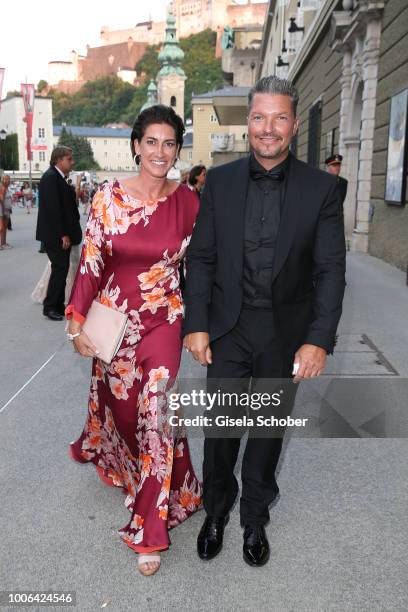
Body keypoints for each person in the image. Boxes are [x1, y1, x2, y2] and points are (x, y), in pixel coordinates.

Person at [183, 76, 346, 567]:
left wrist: (318, 339)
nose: (268, 128)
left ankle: (254, 517)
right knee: (222, 429)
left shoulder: (324, 190)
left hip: (285, 332)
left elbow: (330, 271)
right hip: (228, 329)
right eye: (259, 117)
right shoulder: (221, 182)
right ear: (248, 122)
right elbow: (203, 259)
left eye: (279, 118)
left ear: (294, 126)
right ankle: (216, 511)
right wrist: (196, 323)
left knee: (268, 431)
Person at [66, 105, 202, 577]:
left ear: (177, 150)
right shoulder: (107, 198)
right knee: (126, 413)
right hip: (115, 324)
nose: (160, 152)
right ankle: (173, 481)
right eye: (151, 142)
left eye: (169, 144)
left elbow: (200, 267)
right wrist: (75, 321)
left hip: (164, 319)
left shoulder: (188, 203)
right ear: (137, 146)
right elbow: (91, 263)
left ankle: (150, 526)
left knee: (156, 409)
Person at [35, 146, 82, 321]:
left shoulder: (58, 178)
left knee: (61, 269)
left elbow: (67, 204)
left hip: (58, 233)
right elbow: (54, 209)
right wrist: (63, 234)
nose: (72, 162)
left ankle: (57, 304)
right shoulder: (51, 178)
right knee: (59, 269)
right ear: (58, 160)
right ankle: (50, 307)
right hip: (55, 234)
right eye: (69, 159)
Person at [0, 175, 13, 249]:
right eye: (6, 179)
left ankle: (3, 243)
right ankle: (2, 243)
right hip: (3, 209)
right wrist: (4, 209)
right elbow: (2, 199)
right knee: (1, 227)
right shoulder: (3, 188)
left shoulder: (7, 188)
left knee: (5, 227)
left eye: (8, 179)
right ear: (3, 180)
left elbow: (7, 199)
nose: (8, 180)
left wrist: (9, 208)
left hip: (7, 209)